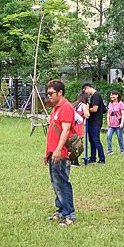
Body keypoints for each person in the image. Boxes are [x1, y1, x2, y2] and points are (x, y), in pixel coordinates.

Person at [45, 79, 77, 227]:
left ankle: (69, 214)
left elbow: (65, 130)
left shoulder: (66, 107)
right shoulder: (55, 108)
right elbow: (52, 131)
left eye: (51, 93)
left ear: (60, 92)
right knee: (55, 182)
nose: (49, 96)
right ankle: (61, 210)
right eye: (47, 93)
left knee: (63, 182)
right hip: (53, 152)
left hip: (61, 153)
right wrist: (48, 153)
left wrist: (58, 149)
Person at [83, 83, 106, 164]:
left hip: (96, 122)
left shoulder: (96, 96)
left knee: (96, 140)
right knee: (91, 140)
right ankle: (93, 157)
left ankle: (102, 158)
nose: (86, 93)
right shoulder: (93, 96)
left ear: (88, 88)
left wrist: (86, 109)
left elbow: (95, 109)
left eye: (85, 91)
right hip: (91, 121)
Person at [106, 90, 124, 155]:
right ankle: (109, 150)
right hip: (111, 124)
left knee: (120, 137)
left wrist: (122, 123)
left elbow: (123, 114)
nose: (111, 96)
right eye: (111, 95)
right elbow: (108, 113)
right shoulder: (110, 104)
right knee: (108, 136)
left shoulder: (121, 104)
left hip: (118, 124)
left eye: (113, 95)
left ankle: (122, 150)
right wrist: (108, 121)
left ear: (117, 95)